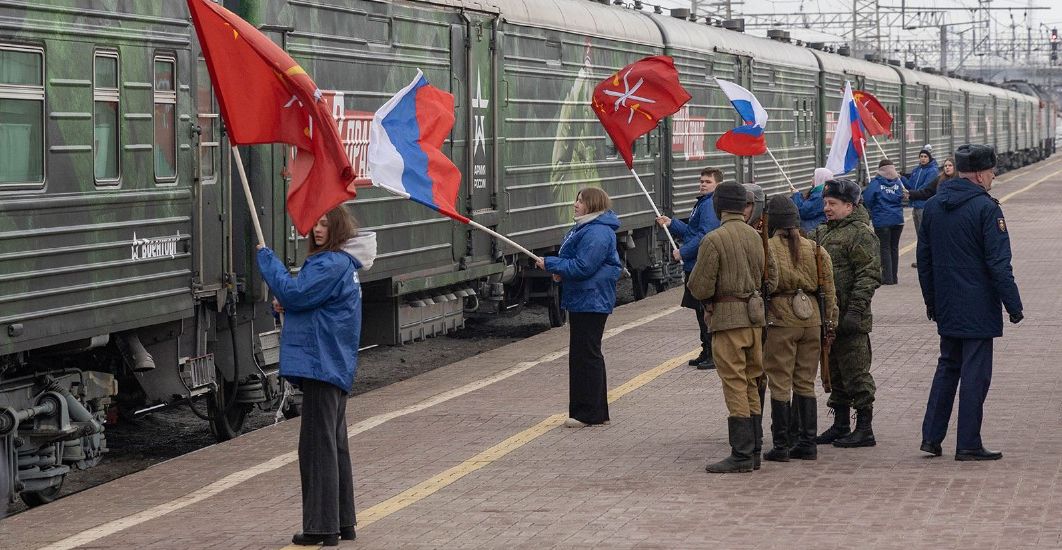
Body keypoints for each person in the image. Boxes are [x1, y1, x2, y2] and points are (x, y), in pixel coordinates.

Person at [257, 206, 372, 547]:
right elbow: (313, 304)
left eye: (325, 224)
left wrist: (267, 259)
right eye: (316, 224)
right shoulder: (344, 264)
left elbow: (296, 294)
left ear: (338, 229)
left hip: (322, 363)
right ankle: (343, 523)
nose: (318, 229)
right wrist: (288, 306)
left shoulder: (329, 263)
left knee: (316, 449)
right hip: (333, 364)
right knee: (334, 445)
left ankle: (322, 528)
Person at [917, 144, 1023, 461]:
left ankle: (931, 438)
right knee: (975, 375)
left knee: (947, 368)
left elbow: (924, 261)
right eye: (991, 171)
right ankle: (968, 444)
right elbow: (999, 264)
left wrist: (932, 302)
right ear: (978, 175)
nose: (993, 177)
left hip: (947, 304)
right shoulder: (986, 209)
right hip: (978, 307)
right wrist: (1013, 305)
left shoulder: (933, 206)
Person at [687, 182, 778, 473]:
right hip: (755, 319)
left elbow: (700, 286)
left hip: (728, 321)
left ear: (718, 206)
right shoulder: (757, 237)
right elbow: (772, 279)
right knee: (752, 380)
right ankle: (754, 449)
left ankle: (740, 454)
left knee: (734, 382)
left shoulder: (714, 239)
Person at [536, 187, 623, 428]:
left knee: (585, 356)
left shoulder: (596, 232)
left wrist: (551, 264)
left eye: (581, 201)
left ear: (592, 204)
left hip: (590, 300)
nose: (575, 204)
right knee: (586, 354)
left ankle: (587, 414)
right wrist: (561, 272)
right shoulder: (589, 228)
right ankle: (596, 411)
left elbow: (584, 266)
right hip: (587, 297)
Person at [762, 196, 838, 462]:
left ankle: (781, 445)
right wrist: (830, 323)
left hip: (781, 320)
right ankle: (807, 443)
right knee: (805, 381)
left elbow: (768, 285)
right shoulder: (816, 249)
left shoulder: (768, 248)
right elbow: (829, 291)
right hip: (812, 320)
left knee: (780, 381)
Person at [812, 179, 882, 448]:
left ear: (849, 206)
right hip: (828, 317)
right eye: (825, 203)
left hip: (851, 319)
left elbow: (869, 275)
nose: (827, 208)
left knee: (856, 373)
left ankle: (864, 428)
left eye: (832, 203)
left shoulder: (861, 234)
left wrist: (854, 310)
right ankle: (840, 424)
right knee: (835, 373)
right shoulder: (823, 232)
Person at [656, 168, 722, 369]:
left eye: (707, 182)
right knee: (700, 311)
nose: (703, 184)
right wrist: (672, 223)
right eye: (701, 181)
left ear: (717, 184)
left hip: (700, 265)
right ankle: (706, 350)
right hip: (695, 264)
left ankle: (712, 353)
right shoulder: (703, 203)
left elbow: (704, 235)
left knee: (704, 311)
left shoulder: (709, 204)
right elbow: (692, 232)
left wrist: (683, 252)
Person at [863, 159, 906, 285]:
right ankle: (894, 277)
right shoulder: (898, 182)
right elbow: (902, 196)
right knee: (894, 248)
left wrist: (874, 210)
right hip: (898, 220)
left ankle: (887, 277)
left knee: (884, 248)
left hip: (882, 220)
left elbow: (868, 199)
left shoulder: (876, 183)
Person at [907, 157, 954, 269]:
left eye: (950, 165)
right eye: (945, 166)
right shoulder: (939, 180)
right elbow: (926, 192)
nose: (947, 168)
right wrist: (910, 194)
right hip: (941, 216)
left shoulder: (960, 181)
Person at [904, 145, 939, 234]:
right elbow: (910, 185)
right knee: (919, 233)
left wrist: (911, 193)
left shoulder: (932, 171)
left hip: (924, 205)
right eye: (921, 156)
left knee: (923, 233)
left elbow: (926, 188)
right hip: (915, 205)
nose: (923, 159)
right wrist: (901, 178)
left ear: (929, 158)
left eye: (925, 157)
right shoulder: (916, 170)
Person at [792, 167, 832, 233]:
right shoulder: (820, 192)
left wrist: (796, 195)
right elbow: (807, 205)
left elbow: (803, 212)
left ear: (820, 178)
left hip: (812, 231)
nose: (812, 178)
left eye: (814, 176)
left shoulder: (819, 196)